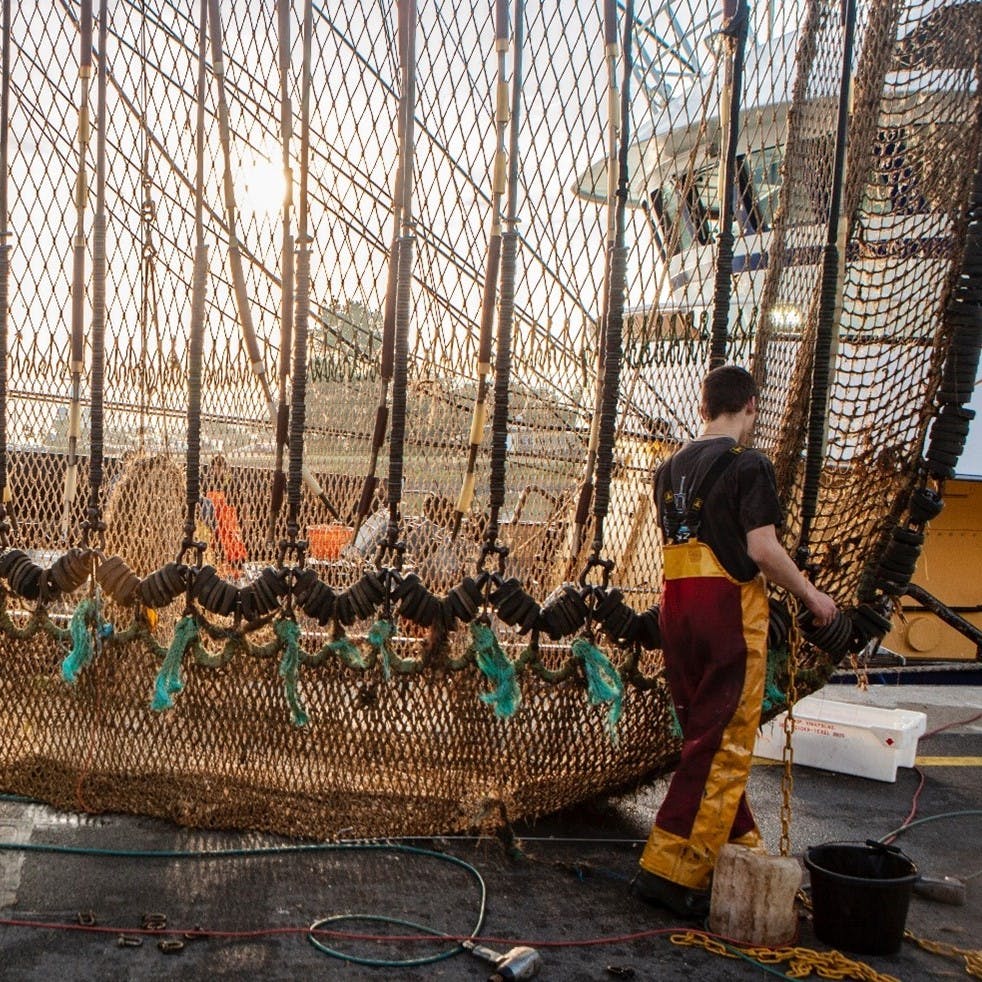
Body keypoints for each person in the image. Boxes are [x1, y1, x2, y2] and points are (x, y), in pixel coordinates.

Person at [634, 364, 837, 919]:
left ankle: (737, 849)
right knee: (722, 742)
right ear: (750, 405)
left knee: (705, 735)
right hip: (726, 613)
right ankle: (668, 870)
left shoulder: (666, 469)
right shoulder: (749, 464)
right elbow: (762, 549)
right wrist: (813, 597)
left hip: (677, 609)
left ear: (704, 408)